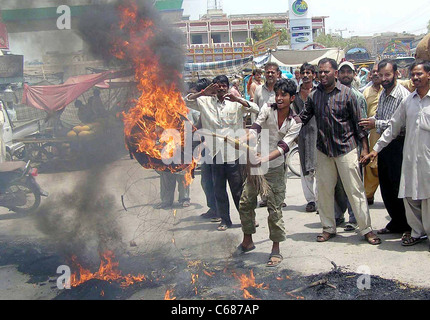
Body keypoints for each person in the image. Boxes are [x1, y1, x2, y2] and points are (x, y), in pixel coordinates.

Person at [299, 58, 380, 245]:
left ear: (335, 73)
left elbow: (359, 124)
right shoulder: (314, 96)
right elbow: (303, 117)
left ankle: (366, 229)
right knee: (325, 191)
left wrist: (364, 149)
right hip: (324, 150)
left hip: (346, 148)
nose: (323, 75)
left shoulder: (348, 94)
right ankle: (328, 228)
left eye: (326, 71)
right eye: (320, 72)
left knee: (355, 190)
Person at [362, 60, 430, 247]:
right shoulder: (409, 101)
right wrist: (375, 149)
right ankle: (415, 232)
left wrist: (375, 125)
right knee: (408, 194)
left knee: (427, 196)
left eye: (419, 74)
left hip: (424, 156)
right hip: (408, 154)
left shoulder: (403, 95)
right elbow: (392, 127)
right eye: (413, 75)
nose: (415, 78)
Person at [236, 79, 302, 267]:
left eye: (284, 95)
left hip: (274, 168)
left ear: (292, 98)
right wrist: (245, 137)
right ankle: (247, 240)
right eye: (277, 94)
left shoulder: (296, 122)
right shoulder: (267, 107)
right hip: (256, 167)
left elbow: (283, 147)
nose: (279, 98)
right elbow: (256, 127)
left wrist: (263, 159)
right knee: (246, 202)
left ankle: (275, 249)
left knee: (274, 209)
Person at [185, 75, 259, 231]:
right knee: (219, 189)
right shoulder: (204, 102)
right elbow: (186, 101)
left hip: (233, 154)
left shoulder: (235, 103)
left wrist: (238, 100)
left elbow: (255, 108)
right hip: (214, 154)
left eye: (224, 85)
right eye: (217, 85)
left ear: (227, 87)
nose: (221, 88)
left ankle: (247, 218)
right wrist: (203, 92)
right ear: (213, 86)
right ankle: (225, 220)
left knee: (238, 190)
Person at [359, 59, 411, 237]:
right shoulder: (383, 93)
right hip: (384, 144)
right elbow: (380, 115)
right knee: (387, 186)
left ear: (396, 74)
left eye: (387, 74)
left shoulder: (403, 95)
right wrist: (371, 120)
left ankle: (407, 225)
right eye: (381, 75)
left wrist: (375, 123)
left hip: (399, 145)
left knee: (398, 186)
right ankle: (396, 222)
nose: (384, 78)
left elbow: (400, 125)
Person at [334, 60, 369, 231]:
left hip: (353, 145)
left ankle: (354, 218)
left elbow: (362, 124)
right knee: (338, 184)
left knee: (354, 184)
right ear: (338, 74)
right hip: (335, 146)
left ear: (354, 75)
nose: (346, 74)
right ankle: (338, 215)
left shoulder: (358, 96)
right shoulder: (332, 94)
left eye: (349, 72)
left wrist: (364, 148)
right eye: (343, 72)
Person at [253, 62, 285, 208]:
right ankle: (265, 196)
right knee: (262, 164)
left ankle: (279, 197)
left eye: (273, 72)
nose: (270, 74)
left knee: (279, 165)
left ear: (278, 74)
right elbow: (255, 110)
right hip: (262, 133)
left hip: (279, 133)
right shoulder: (259, 90)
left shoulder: (282, 89)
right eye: (267, 72)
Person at [291, 62, 318, 213]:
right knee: (304, 168)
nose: (306, 75)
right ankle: (311, 200)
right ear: (300, 75)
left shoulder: (319, 91)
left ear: (314, 75)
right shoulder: (295, 95)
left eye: (309, 72)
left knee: (319, 168)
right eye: (303, 72)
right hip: (302, 134)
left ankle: (321, 200)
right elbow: (292, 115)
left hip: (319, 134)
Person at [362, 63, 383, 205]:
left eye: (378, 72)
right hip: (373, 133)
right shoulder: (365, 92)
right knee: (372, 166)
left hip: (390, 132)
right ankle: (368, 194)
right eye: (373, 72)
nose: (375, 74)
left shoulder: (391, 89)